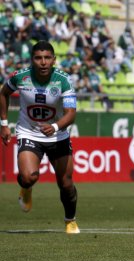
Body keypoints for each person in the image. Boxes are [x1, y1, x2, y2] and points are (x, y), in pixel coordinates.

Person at [0, 40, 80, 234]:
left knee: (66, 183)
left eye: (47, 58)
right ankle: (26, 189)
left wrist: (54, 126)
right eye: (38, 58)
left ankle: (70, 220)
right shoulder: (20, 77)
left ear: (54, 59)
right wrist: (3, 123)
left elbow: (71, 113)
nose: (43, 62)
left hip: (58, 135)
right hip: (29, 132)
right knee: (27, 178)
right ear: (32, 60)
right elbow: (3, 93)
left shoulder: (64, 80)